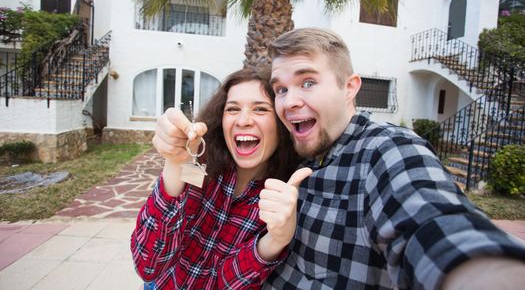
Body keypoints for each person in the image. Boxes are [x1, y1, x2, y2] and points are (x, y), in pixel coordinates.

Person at [261, 28, 525, 289]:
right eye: (281, 89)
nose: (289, 102)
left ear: (350, 88)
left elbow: (433, 224)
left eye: (308, 82)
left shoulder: (386, 148)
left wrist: (482, 273)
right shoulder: (298, 154)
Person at [131, 68, 310, 289]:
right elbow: (148, 266)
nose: (243, 120)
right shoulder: (200, 165)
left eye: (261, 109)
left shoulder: (282, 195)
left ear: (282, 124)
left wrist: (276, 241)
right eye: (232, 109)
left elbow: (224, 283)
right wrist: (175, 163)